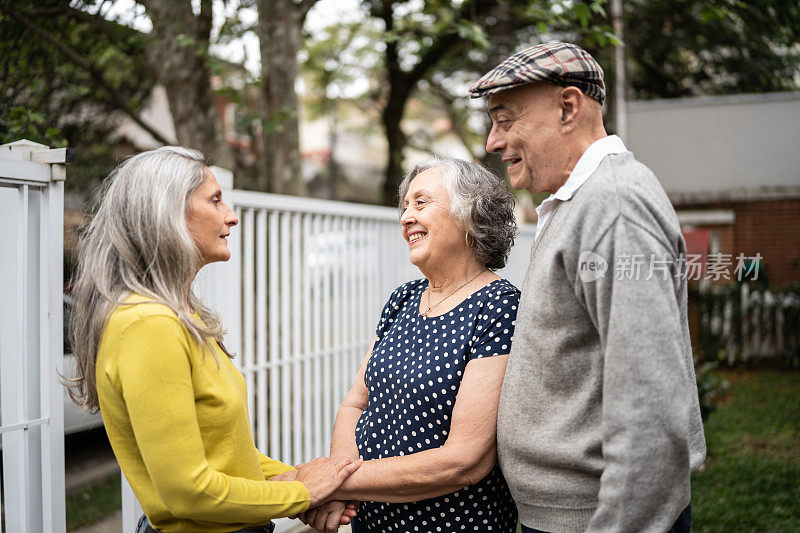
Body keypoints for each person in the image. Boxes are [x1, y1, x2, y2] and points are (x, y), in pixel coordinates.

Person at [468, 42, 706, 532]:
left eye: (505, 119)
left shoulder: (612, 207)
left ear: (568, 107)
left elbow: (651, 410)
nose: (493, 141)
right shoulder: (581, 202)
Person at [67, 146, 361, 533]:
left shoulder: (176, 315)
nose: (231, 216)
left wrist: (300, 481)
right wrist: (303, 493)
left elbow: (226, 454)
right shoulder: (148, 324)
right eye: (215, 200)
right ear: (168, 212)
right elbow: (188, 490)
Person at [298, 157, 520, 532]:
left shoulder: (499, 305)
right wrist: (340, 476)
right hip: (371, 520)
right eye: (405, 207)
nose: (405, 217)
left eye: (421, 203)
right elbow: (356, 401)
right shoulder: (402, 298)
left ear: (470, 215)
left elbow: (464, 460)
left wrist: (334, 483)